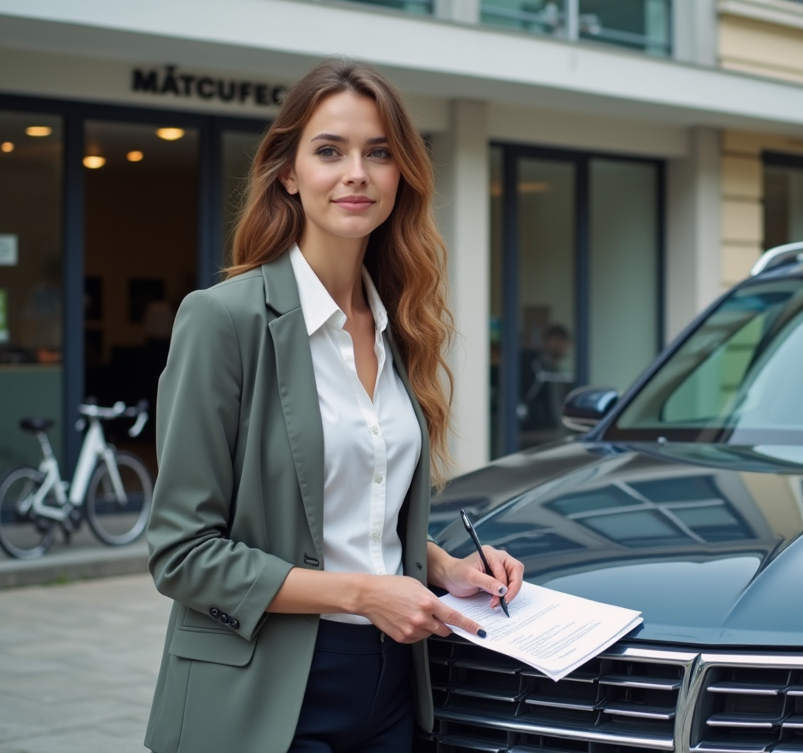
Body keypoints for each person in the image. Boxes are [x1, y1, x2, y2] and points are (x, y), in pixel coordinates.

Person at [143, 59, 525, 753]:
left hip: (391, 682)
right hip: (264, 684)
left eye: (379, 153)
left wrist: (444, 567)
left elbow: (355, 511)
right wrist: (362, 594)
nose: (357, 173)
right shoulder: (224, 320)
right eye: (330, 151)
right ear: (289, 173)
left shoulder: (398, 325)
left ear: (401, 174)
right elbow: (182, 555)